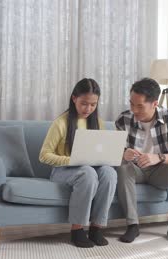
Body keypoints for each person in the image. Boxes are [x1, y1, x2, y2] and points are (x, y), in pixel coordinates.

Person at [39, 78, 117, 248]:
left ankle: (97, 227)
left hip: (89, 168)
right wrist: (73, 160)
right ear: (74, 98)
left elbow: (100, 152)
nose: (88, 109)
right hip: (63, 171)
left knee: (109, 172)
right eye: (84, 103)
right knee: (87, 172)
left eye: (93, 104)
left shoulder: (98, 123)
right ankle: (77, 229)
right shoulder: (61, 123)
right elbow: (44, 155)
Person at [115, 78, 168, 243]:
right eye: (131, 104)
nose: (134, 110)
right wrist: (123, 153)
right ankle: (132, 225)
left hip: (160, 170)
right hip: (135, 169)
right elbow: (114, 151)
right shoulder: (123, 119)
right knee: (122, 167)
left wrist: (158, 157)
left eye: (140, 106)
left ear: (154, 104)